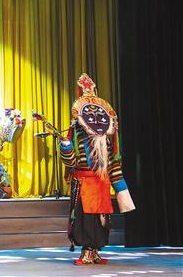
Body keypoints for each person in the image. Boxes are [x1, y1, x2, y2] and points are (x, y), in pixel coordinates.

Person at [59, 73, 135, 265]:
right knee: (84, 218)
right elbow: (70, 162)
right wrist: (66, 146)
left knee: (101, 219)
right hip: (83, 183)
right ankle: (86, 251)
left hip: (101, 182)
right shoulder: (76, 131)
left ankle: (95, 251)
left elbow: (114, 163)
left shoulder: (107, 135)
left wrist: (121, 190)